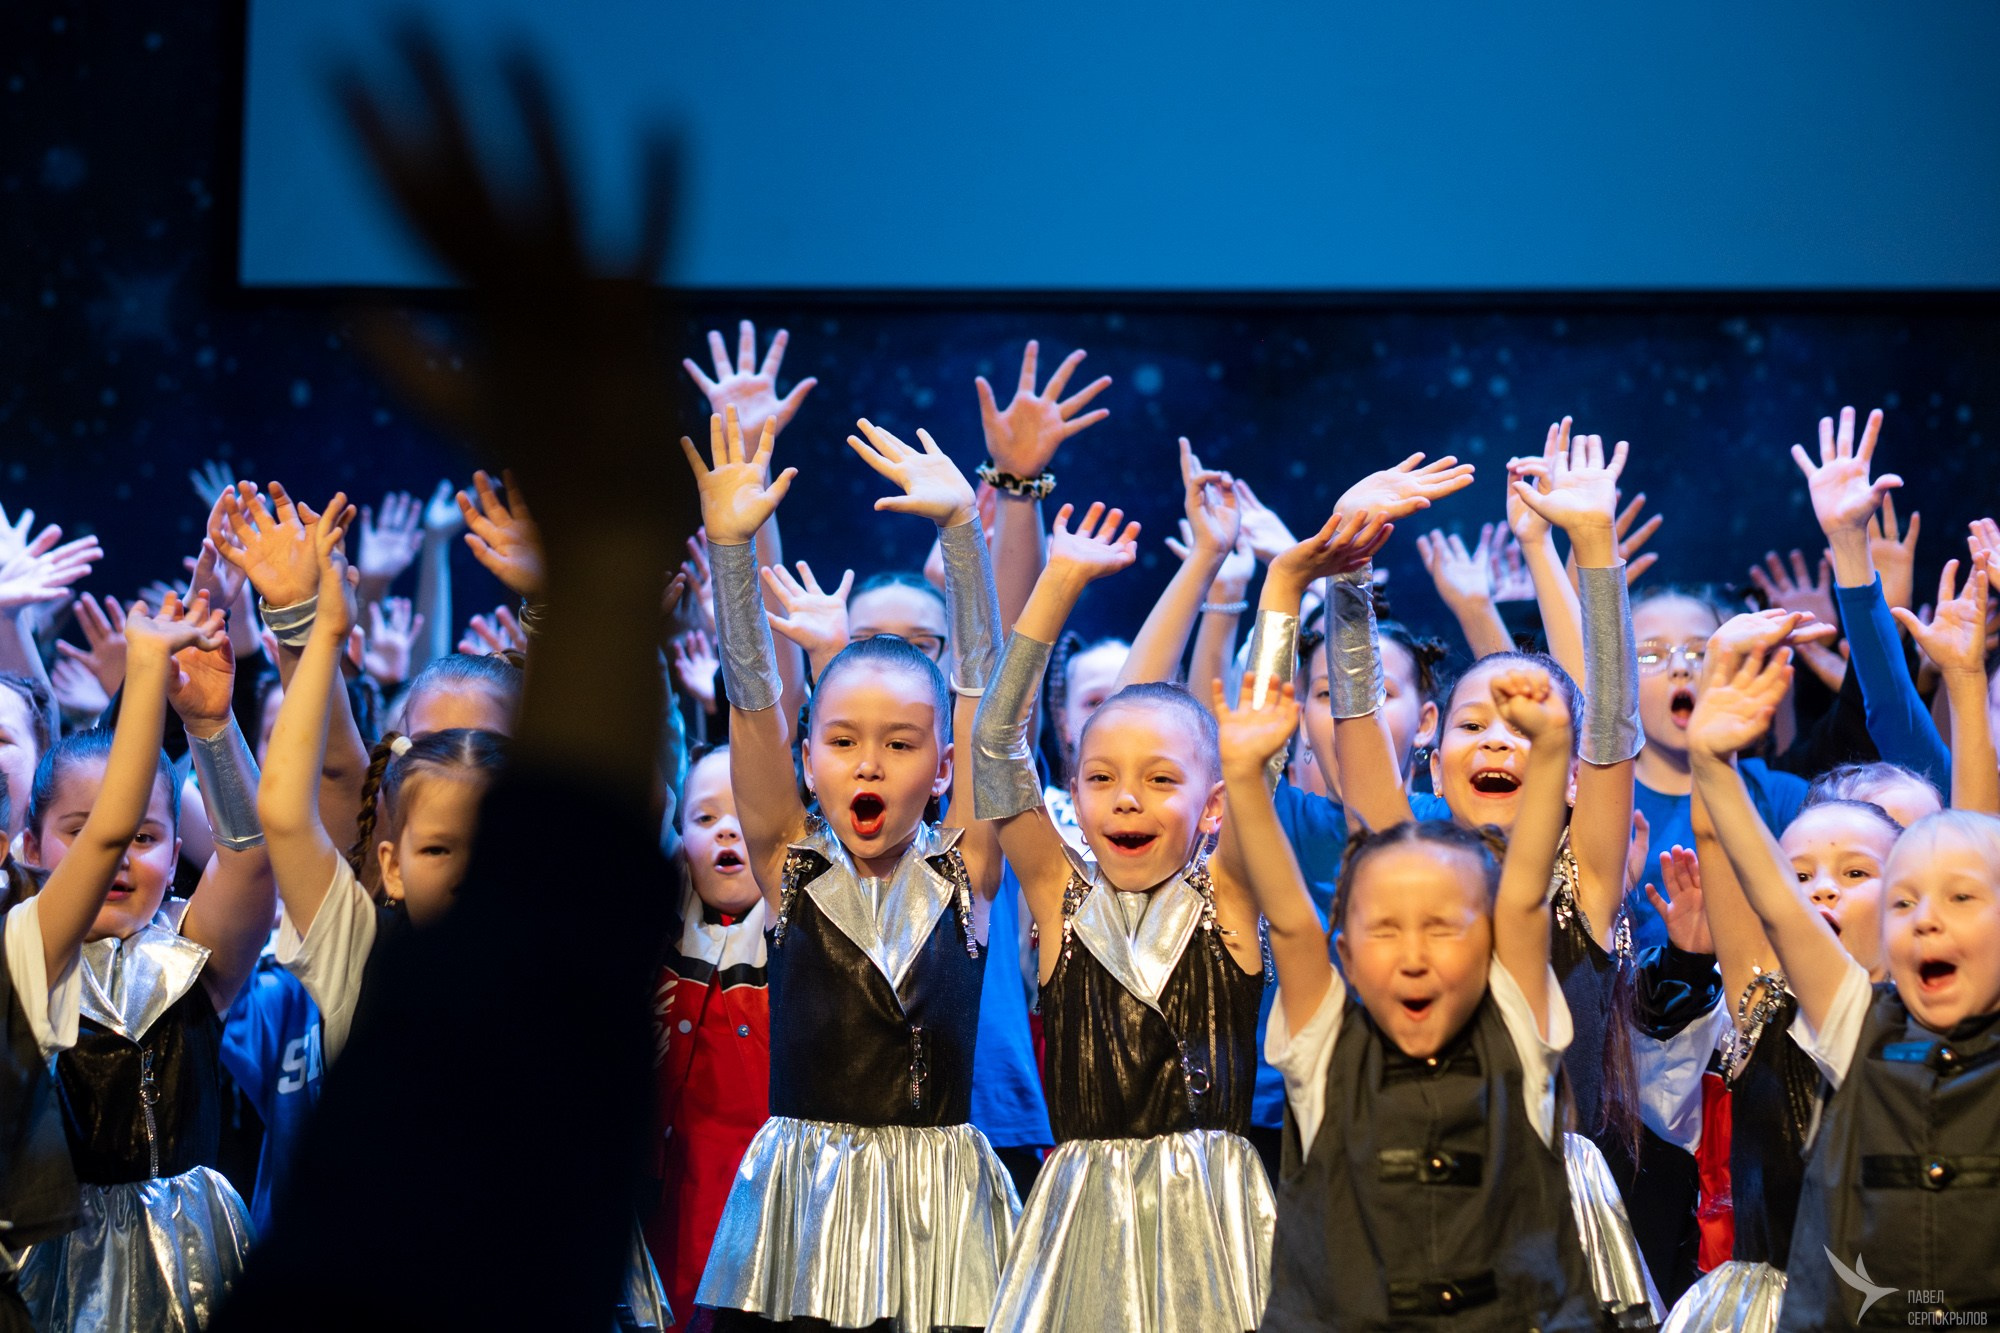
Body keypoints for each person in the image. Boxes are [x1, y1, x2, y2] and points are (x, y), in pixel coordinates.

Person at [687, 408, 1019, 1331]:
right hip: (806, 1203)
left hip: (940, 1214)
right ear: (809, 756)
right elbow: (754, 707)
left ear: (944, 767)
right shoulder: (789, 864)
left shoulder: (969, 866)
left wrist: (962, 537)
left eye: (900, 744)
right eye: (842, 740)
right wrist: (729, 552)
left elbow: (982, 699)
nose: (868, 763)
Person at [973, 496, 1335, 1331]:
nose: (1126, 797)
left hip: (1218, 1219)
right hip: (1081, 1220)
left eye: (1160, 780)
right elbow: (996, 743)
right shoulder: (1062, 901)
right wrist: (1057, 583)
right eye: (1100, 778)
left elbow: (1259, 742)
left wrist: (1280, 586)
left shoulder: (1232, 896)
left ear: (1213, 806)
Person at [1260, 661, 1596, 1328]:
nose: (1415, 955)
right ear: (1347, 955)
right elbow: (1294, 919)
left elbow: (1526, 892)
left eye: (1444, 927)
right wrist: (1246, 777)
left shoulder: (1517, 1031)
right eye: (1387, 928)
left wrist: (1555, 745)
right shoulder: (1324, 1048)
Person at [1686, 626, 2000, 1324]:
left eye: (1859, 873)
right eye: (1802, 875)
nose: (1820, 891)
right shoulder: (1817, 1008)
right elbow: (1755, 878)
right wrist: (1710, 757)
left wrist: (1967, 680)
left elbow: (1978, 851)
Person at [16, 591, 273, 1331]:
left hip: (195, 1250)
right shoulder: (23, 959)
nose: (119, 857)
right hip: (59, 1253)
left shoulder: (193, 953)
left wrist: (212, 727)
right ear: (33, 846)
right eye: (87, 830)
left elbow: (251, 859)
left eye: (146, 836)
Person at [646, 745, 771, 1321]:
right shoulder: (663, 937)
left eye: (745, 816)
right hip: (672, 1227)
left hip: (770, 1235)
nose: (727, 831)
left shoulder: (795, 935)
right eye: (705, 818)